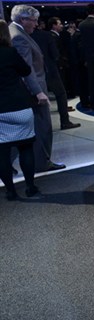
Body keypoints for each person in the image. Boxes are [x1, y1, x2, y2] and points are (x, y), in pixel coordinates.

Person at [9, 5, 66, 172]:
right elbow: (27, 69)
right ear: (23, 19)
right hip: (32, 90)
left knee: (24, 130)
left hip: (26, 90)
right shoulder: (18, 37)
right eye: (33, 20)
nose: (36, 24)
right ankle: (41, 163)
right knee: (42, 127)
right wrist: (38, 92)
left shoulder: (15, 32)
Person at [0, 20, 41, 199]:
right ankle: (30, 187)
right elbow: (25, 71)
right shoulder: (10, 52)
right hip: (19, 106)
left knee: (2, 153)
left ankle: (10, 191)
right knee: (26, 148)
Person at [33, 17, 80, 130]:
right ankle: (65, 121)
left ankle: (40, 126)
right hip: (50, 69)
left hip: (33, 72)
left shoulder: (27, 36)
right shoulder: (46, 35)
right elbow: (54, 54)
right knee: (61, 94)